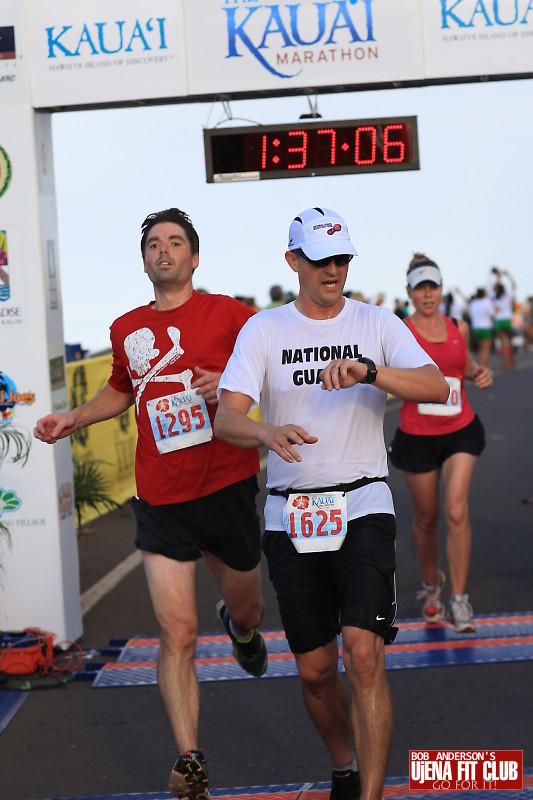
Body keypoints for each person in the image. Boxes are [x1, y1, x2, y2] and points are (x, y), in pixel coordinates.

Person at [213, 208, 449, 800]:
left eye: (342, 259)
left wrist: (372, 371)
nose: (334, 271)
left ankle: (368, 794)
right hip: (290, 512)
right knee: (317, 673)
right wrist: (267, 433)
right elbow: (226, 417)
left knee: (364, 653)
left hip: (364, 501)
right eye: (321, 260)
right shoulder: (264, 330)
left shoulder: (377, 321)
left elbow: (436, 385)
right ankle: (344, 764)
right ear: (294, 261)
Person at [34, 208, 268, 799]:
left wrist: (231, 383)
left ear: (194, 257)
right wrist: (73, 417)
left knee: (250, 611)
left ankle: (238, 629)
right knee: (177, 634)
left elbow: (270, 366)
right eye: (154, 244)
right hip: (161, 495)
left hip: (227, 485)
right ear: (145, 260)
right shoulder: (126, 328)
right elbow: (120, 388)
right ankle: (190, 759)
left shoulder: (230, 314)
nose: (164, 251)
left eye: (176, 242)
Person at [388, 253, 493, 634]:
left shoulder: (458, 327)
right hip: (417, 434)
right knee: (427, 518)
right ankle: (432, 585)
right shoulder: (399, 330)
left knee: (455, 511)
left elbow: (463, 367)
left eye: (433, 286)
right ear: (410, 292)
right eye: (420, 288)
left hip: (460, 429)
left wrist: (480, 374)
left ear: (441, 289)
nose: (428, 294)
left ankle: (460, 599)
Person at [468, 288, 494, 368]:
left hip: (476, 328)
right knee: (486, 350)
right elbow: (492, 314)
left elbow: (470, 315)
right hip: (485, 328)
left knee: (479, 349)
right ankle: (483, 368)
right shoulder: (487, 302)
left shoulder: (473, 303)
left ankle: (479, 366)